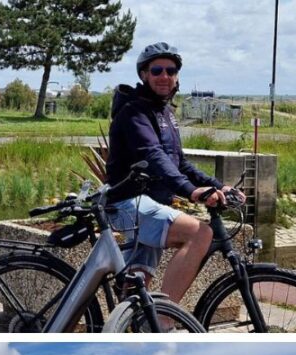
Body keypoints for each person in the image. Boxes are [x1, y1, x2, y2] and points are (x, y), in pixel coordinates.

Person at [105, 42, 245, 303]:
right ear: (143, 75)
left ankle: (129, 327)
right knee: (199, 233)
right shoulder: (134, 112)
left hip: (150, 202)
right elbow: (153, 155)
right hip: (126, 202)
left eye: (171, 71)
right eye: (156, 70)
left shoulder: (166, 114)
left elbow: (179, 163)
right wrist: (191, 191)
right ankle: (163, 319)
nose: (164, 76)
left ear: (177, 77)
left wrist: (217, 186)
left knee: (136, 285)